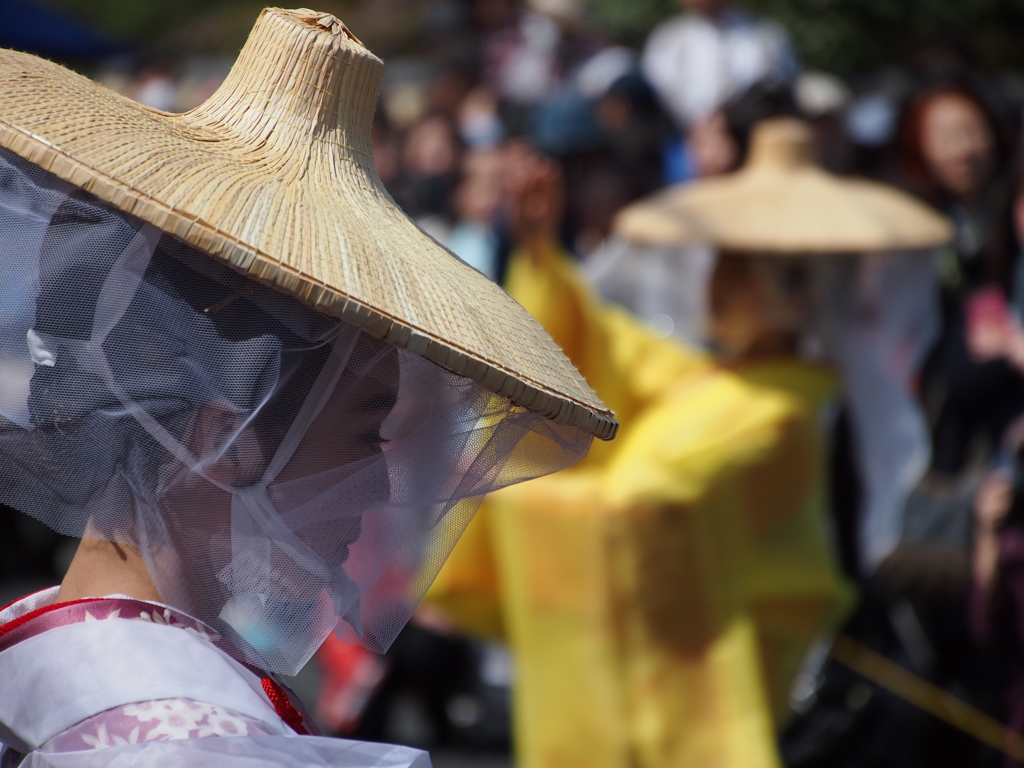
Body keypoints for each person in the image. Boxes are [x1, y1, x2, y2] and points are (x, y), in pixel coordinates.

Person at [0, 8, 613, 767]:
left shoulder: (35, 647)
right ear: (220, 437)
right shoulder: (199, 750)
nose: (376, 481)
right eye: (362, 433)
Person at [426, 127, 875, 768]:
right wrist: (542, 255)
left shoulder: (788, 409)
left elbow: (648, 509)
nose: (719, 282)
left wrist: (525, 495)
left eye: (745, 268)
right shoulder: (707, 378)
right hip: (621, 655)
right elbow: (600, 348)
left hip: (692, 676)